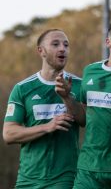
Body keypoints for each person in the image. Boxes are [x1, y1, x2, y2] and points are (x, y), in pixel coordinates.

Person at [55, 17, 111, 189]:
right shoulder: (90, 71)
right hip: (89, 168)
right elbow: (83, 118)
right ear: (108, 42)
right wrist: (66, 97)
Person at [3, 29, 82, 188]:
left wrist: (68, 97)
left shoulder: (79, 85)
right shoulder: (22, 88)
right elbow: (9, 134)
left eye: (66, 45)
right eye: (55, 44)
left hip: (65, 178)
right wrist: (48, 126)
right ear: (41, 51)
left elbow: (86, 120)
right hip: (27, 179)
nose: (62, 48)